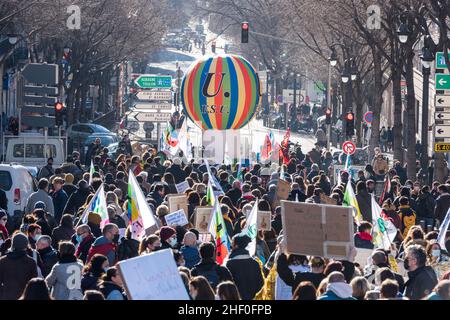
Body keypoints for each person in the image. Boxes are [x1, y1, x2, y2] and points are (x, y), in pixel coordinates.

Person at [225, 234, 264, 300]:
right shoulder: (255, 263)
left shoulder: (229, 264)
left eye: (232, 244)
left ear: (236, 246)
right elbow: (261, 284)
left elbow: (227, 287)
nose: (231, 247)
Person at [0, 233, 37, 299]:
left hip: (6, 296)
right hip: (25, 296)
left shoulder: (3, 261)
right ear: (26, 245)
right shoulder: (31, 262)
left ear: (13, 244)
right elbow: (33, 284)